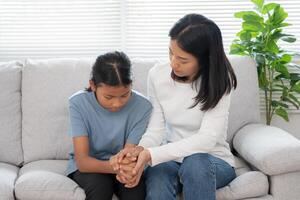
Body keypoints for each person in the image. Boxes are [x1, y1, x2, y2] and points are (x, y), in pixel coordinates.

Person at [116, 13, 237, 200]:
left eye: (183, 59)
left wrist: (152, 154)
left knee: (195, 163)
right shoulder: (157, 75)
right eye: (171, 52)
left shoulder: (220, 80)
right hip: (170, 158)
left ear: (205, 59)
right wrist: (141, 150)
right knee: (158, 174)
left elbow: (207, 140)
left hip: (213, 160)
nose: (174, 63)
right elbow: (156, 130)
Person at [66, 51, 152, 200]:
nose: (117, 103)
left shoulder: (143, 107)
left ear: (131, 85)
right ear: (92, 85)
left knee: (135, 192)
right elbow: (83, 162)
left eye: (124, 95)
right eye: (109, 97)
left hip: (124, 166)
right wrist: (115, 167)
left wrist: (125, 168)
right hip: (91, 166)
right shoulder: (78, 103)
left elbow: (129, 154)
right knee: (100, 188)